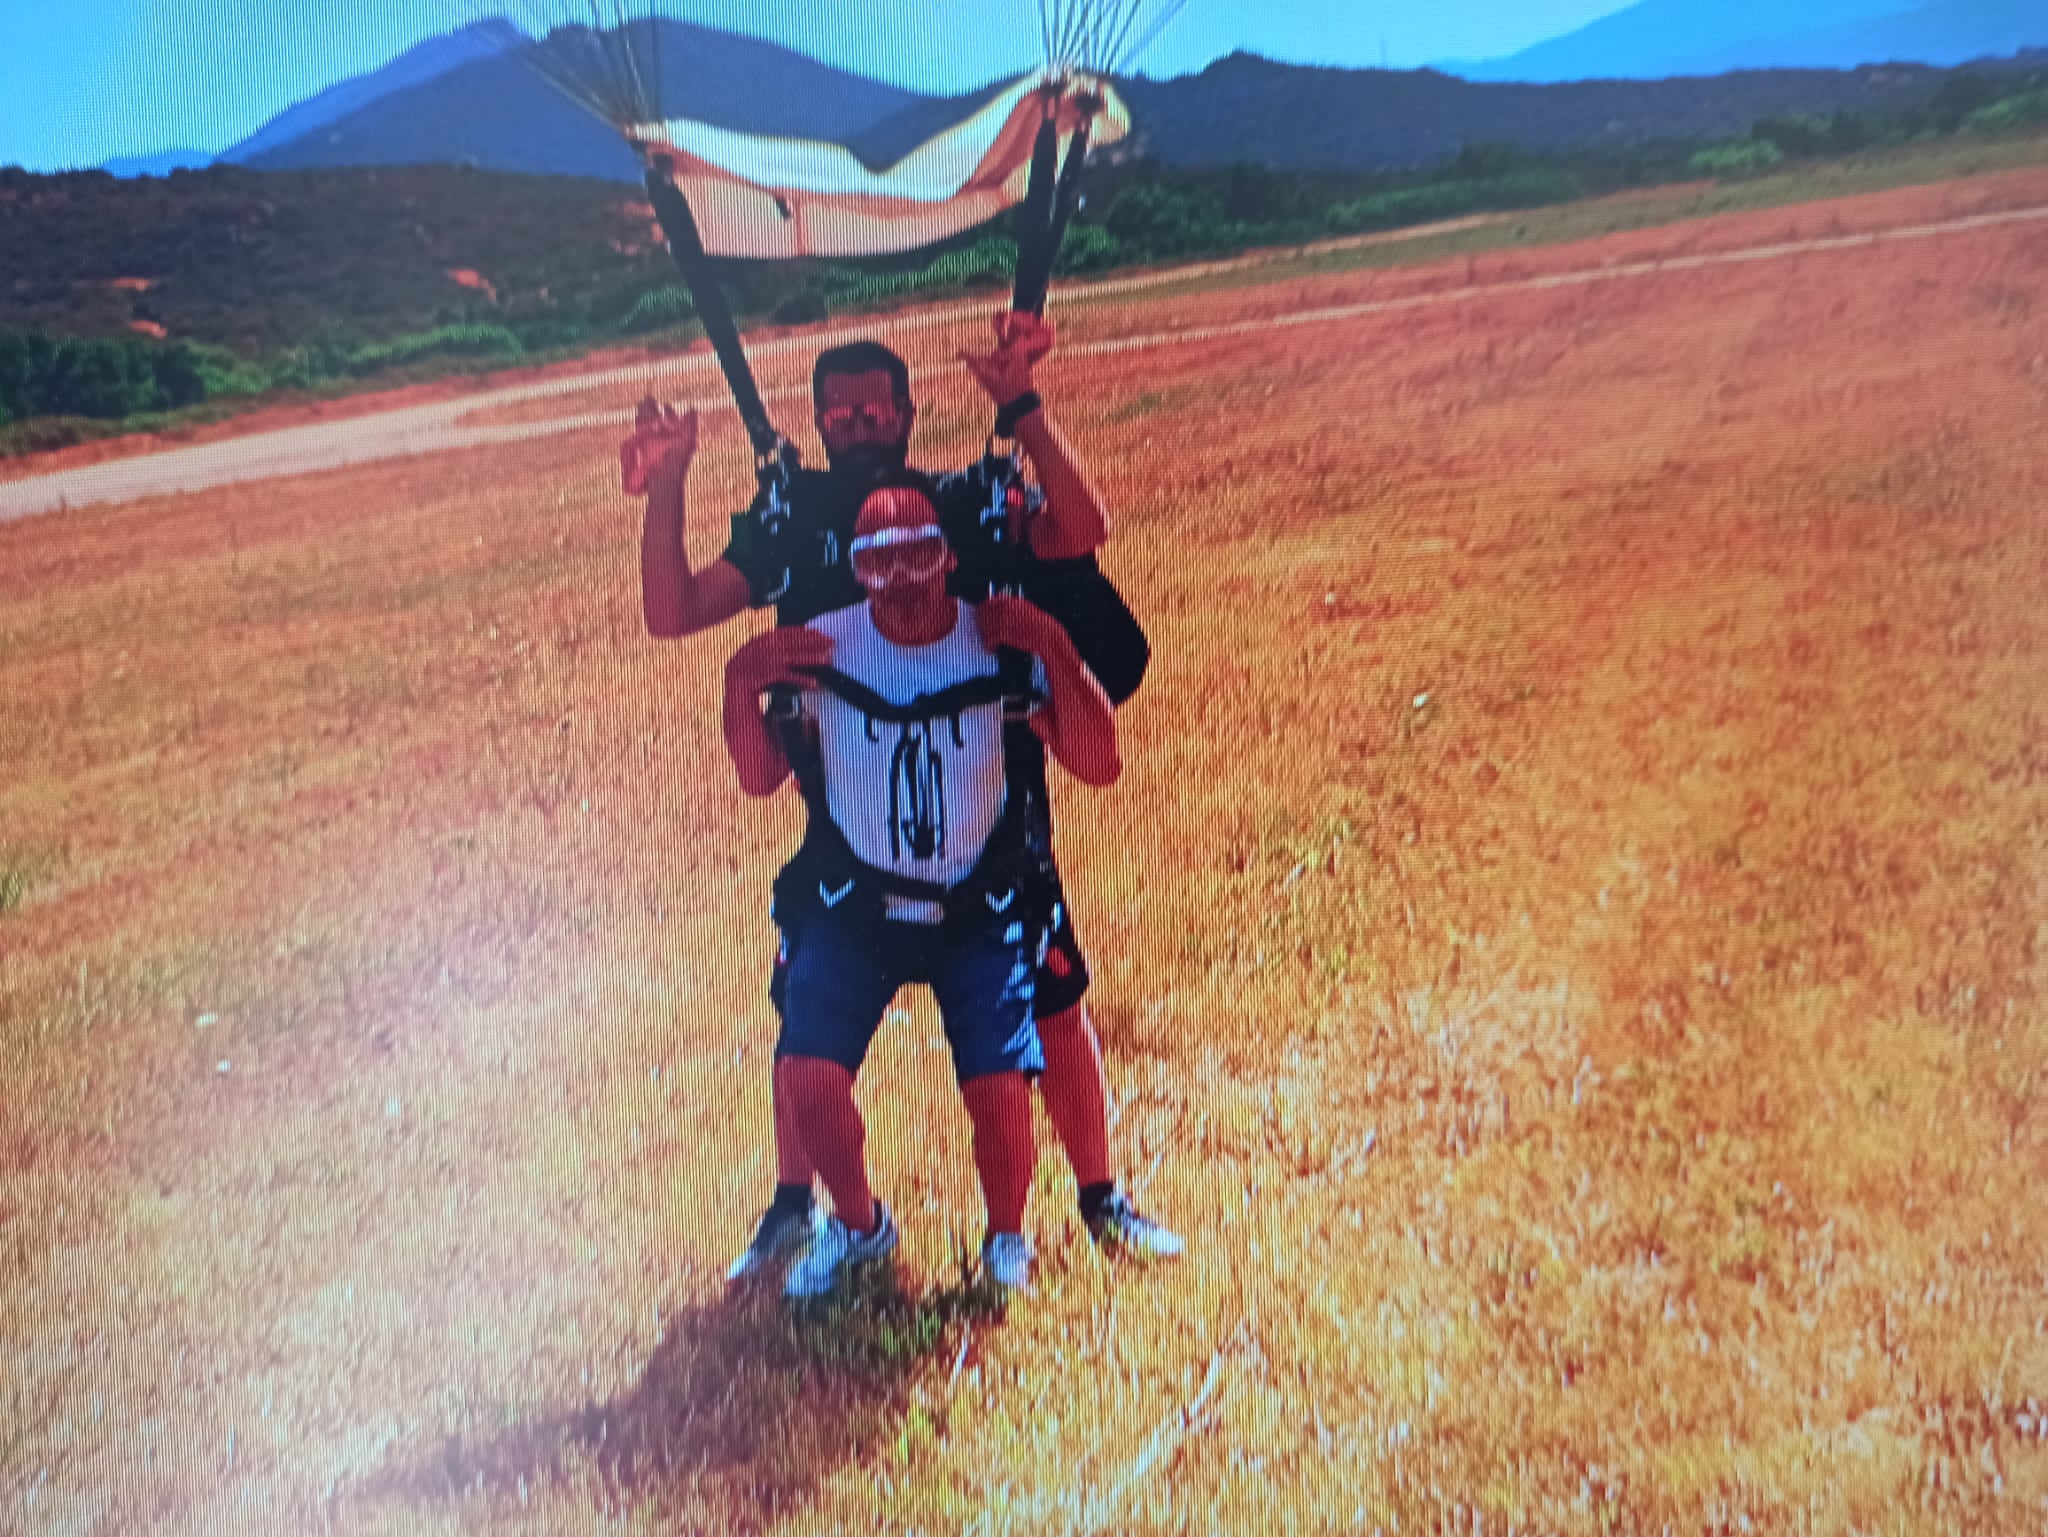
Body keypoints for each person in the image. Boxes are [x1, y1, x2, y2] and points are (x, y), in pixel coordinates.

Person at [633, 312, 1180, 1280]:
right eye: (838, 413)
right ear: (816, 420)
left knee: (1054, 1008)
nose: (856, 424)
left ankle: (1101, 1197)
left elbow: (1082, 529)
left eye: (873, 409)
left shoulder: (968, 500)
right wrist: (669, 480)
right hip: (843, 804)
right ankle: (798, 1207)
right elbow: (674, 611)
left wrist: (1023, 404)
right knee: (807, 1017)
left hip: (991, 797)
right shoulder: (792, 519)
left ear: (905, 411)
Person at [721, 476, 1120, 1296]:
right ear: (854, 568)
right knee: (807, 1073)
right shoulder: (822, 647)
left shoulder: (997, 639)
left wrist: (1053, 646)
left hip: (977, 903)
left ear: (949, 557)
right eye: (878, 561)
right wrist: (737, 684)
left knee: (1001, 1087)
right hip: (858, 906)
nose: (901, 577)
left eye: (920, 554)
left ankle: (1006, 1236)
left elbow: (1099, 762)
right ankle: (860, 1225)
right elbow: (760, 778)